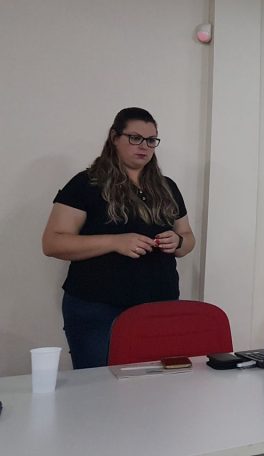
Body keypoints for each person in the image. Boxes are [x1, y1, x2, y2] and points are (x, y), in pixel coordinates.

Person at [42, 107, 195, 369]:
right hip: (98, 309)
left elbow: (188, 237)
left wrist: (178, 242)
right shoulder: (86, 184)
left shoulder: (167, 186)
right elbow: (53, 242)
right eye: (135, 138)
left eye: (151, 140)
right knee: (99, 385)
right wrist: (115, 241)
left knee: (157, 386)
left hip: (158, 305)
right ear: (115, 137)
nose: (144, 146)